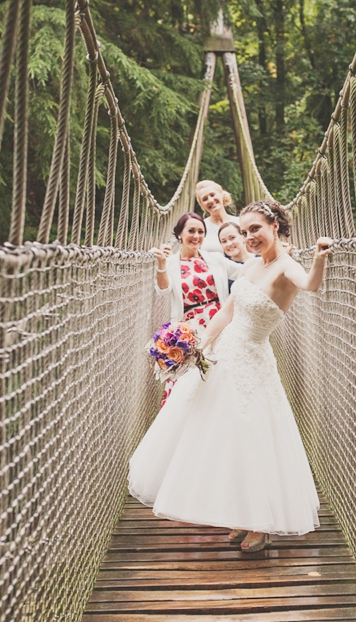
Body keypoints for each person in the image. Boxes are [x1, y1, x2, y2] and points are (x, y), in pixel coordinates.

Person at [130, 199, 333, 552]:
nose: (249, 237)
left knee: (250, 436)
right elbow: (226, 311)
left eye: (256, 229)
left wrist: (319, 257)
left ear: (275, 227)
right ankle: (239, 515)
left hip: (252, 361)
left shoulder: (287, 267)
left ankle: (260, 522)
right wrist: (200, 345)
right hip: (224, 354)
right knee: (219, 435)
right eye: (244, 231)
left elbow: (311, 285)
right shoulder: (252, 266)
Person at [151, 212, 242, 405]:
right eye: (191, 231)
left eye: (201, 231)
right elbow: (163, 290)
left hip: (220, 325)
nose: (197, 236)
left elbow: (243, 271)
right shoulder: (171, 262)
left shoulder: (215, 258)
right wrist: (161, 264)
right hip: (190, 330)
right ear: (180, 235)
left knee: (221, 375)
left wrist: (272, 256)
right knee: (191, 381)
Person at [195, 180, 239, 253]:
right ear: (202, 205)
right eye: (205, 199)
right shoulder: (200, 228)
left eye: (212, 195)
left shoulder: (240, 222)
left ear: (221, 195)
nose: (211, 200)